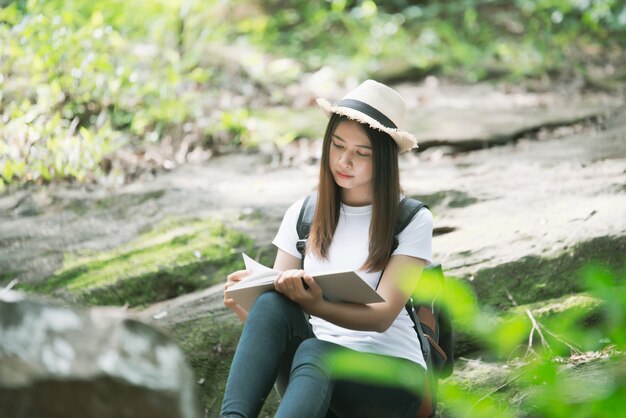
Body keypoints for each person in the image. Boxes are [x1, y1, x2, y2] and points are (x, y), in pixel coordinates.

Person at [221, 80, 433, 418]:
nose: (344, 161)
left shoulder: (411, 220)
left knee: (316, 352)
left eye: (361, 153)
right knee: (272, 301)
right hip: (316, 381)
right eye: (337, 146)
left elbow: (381, 318)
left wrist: (316, 304)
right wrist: (248, 304)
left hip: (390, 381)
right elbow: (283, 312)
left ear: (384, 159)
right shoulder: (303, 215)